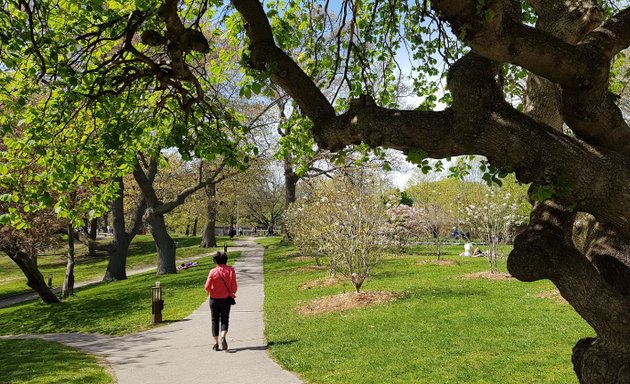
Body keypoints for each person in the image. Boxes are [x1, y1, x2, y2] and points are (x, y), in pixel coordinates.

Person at [204, 251, 238, 351]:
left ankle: (216, 343)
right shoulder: (231, 270)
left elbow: (207, 286)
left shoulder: (213, 271)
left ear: (215, 261)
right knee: (225, 318)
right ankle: (223, 335)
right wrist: (232, 292)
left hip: (214, 299)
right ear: (226, 260)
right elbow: (234, 286)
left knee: (214, 320)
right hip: (226, 299)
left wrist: (209, 290)